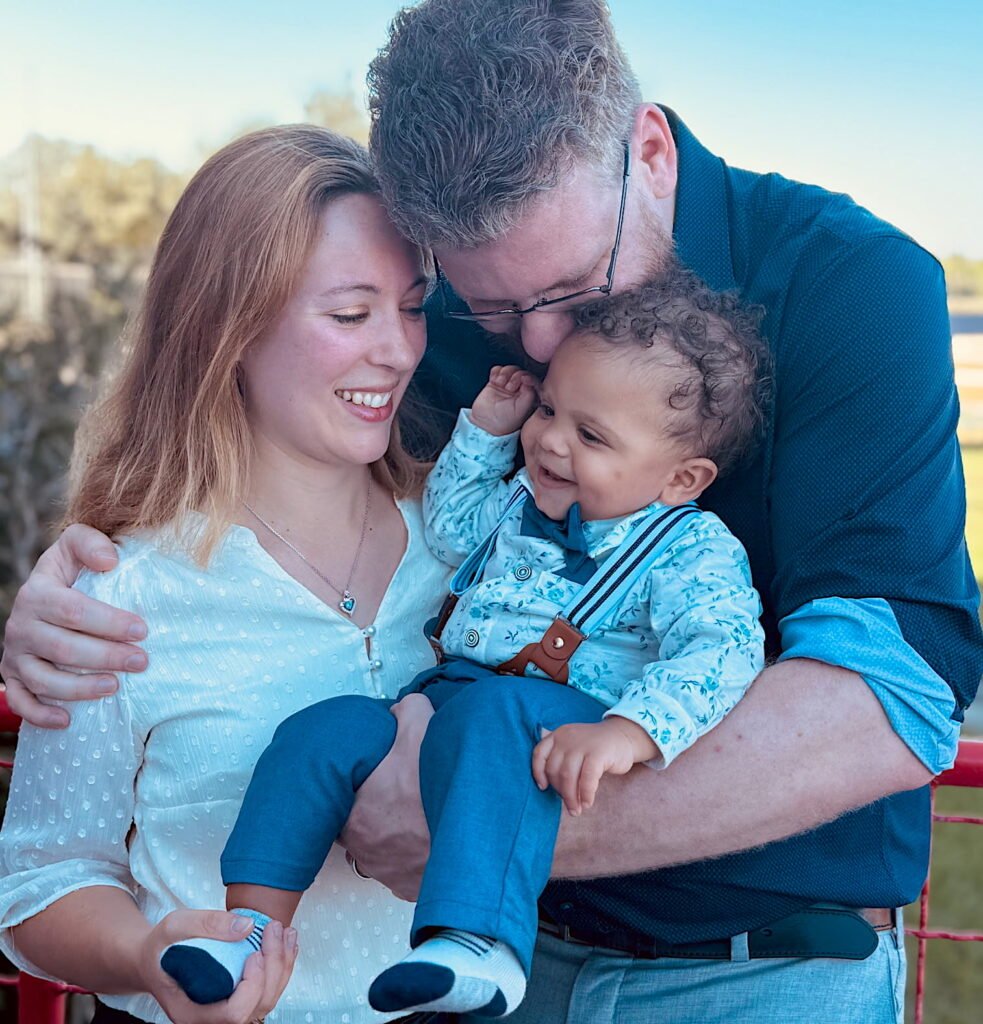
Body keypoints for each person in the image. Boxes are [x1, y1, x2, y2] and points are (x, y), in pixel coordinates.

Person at [3, 1, 982, 1022]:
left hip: (752, 972)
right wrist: (67, 589)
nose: (544, 343)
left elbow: (890, 695)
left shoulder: (854, 286)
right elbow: (268, 465)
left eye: (572, 288)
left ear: (646, 150)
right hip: (475, 981)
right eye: (490, 308)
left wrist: (473, 826)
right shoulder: (442, 325)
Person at [159, 269, 768, 1017]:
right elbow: (449, 527)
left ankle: (481, 943)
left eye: (591, 435)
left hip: (546, 722)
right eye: (549, 409)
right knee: (324, 728)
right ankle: (248, 928)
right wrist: (485, 431)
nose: (548, 440)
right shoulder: (519, 498)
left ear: (681, 477)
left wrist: (630, 730)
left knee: (493, 719)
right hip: (441, 705)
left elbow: (724, 650)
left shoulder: (685, 549)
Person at [0, 124, 453, 1024]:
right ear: (228, 326)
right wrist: (145, 953)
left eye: (412, 306)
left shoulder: (470, 547)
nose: (400, 350)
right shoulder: (122, 593)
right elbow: (42, 882)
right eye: (351, 313)